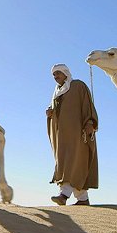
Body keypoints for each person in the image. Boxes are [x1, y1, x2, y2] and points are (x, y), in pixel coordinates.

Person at [46, 64, 98, 205]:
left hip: (78, 134)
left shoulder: (77, 86)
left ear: (65, 73)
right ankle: (82, 199)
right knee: (70, 164)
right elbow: (56, 109)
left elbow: (88, 105)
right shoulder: (57, 91)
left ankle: (63, 195)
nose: (56, 77)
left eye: (58, 73)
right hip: (62, 136)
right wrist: (50, 112)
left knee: (73, 162)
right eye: (54, 75)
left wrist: (90, 123)